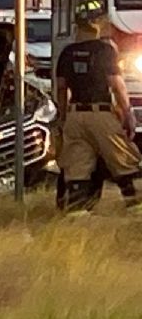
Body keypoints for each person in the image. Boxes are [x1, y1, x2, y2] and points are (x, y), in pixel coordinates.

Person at [56, 18, 142, 213]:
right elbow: (117, 85)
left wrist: (63, 117)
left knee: (77, 165)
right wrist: (128, 113)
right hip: (100, 113)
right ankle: (137, 207)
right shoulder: (104, 51)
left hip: (75, 114)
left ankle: (77, 212)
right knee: (123, 159)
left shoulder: (67, 53)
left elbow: (61, 88)